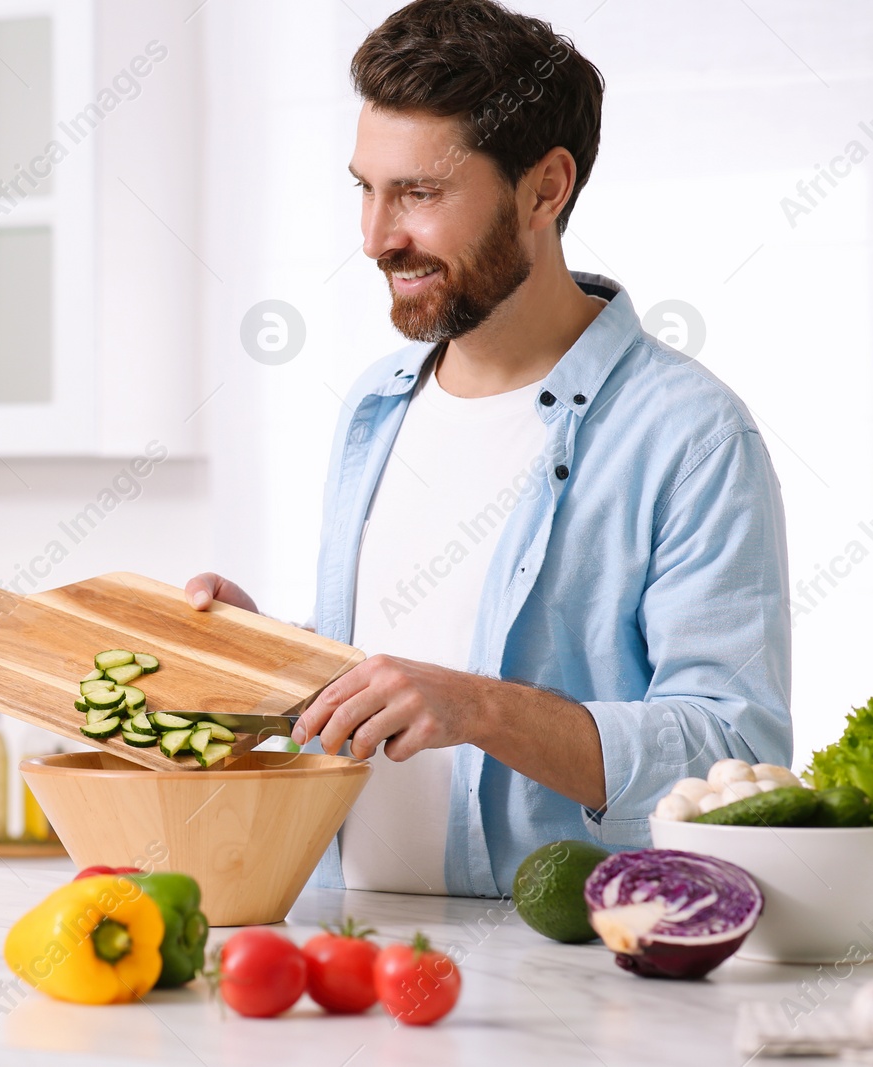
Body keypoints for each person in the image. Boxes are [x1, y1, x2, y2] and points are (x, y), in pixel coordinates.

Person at [187, 0, 790, 898]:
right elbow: (395, 669)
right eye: (366, 187)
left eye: (419, 194)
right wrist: (267, 655)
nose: (376, 238)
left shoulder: (690, 435)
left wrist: (479, 707)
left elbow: (736, 758)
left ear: (545, 187)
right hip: (348, 950)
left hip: (561, 977)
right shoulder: (375, 406)